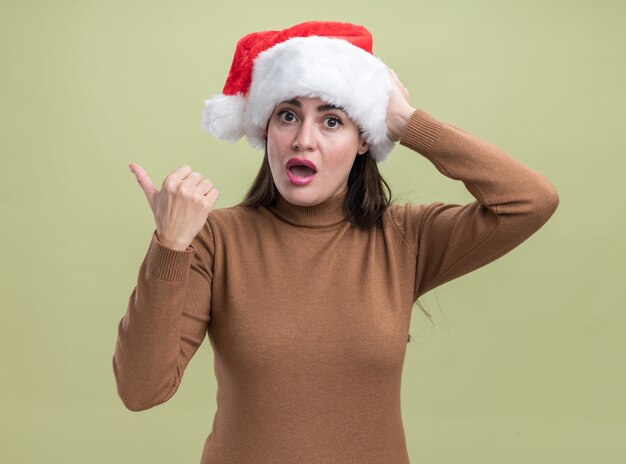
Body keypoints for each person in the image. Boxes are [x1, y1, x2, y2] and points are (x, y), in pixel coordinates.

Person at [113, 20, 559, 464]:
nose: (303, 140)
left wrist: (408, 123)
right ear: (266, 129)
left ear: (363, 139)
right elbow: (141, 389)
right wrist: (170, 246)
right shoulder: (214, 240)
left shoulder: (404, 238)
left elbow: (530, 201)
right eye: (288, 115)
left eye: (331, 120)